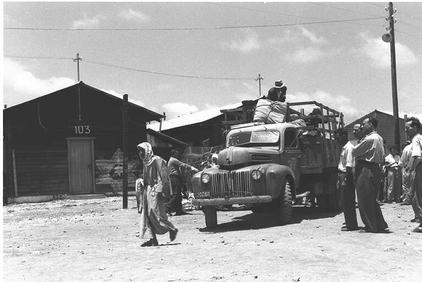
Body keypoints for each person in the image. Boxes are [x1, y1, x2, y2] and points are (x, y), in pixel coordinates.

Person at [137, 142, 178, 247]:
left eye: (142, 150)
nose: (140, 153)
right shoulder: (145, 162)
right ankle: (152, 239)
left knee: (154, 213)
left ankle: (171, 229)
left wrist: (161, 190)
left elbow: (163, 176)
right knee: (146, 215)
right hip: (147, 191)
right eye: (139, 151)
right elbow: (146, 178)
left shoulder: (157, 160)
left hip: (155, 191)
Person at [352, 117, 389, 233]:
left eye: (364, 124)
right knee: (372, 199)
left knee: (364, 199)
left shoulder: (369, 138)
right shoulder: (379, 138)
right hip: (374, 169)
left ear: (371, 125)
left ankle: (370, 226)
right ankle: (380, 224)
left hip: (366, 169)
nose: (362, 126)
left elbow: (354, 152)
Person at [338, 124, 362, 231]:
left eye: (339, 136)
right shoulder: (347, 146)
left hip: (346, 174)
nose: (337, 139)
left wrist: (346, 180)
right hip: (344, 174)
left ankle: (351, 225)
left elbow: (349, 166)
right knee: (346, 200)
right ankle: (349, 222)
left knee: (347, 200)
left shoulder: (349, 147)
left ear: (344, 136)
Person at [167, 149, 199, 215]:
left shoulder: (171, 160)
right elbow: (183, 165)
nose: (178, 154)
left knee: (178, 195)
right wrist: (192, 168)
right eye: (176, 153)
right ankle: (167, 207)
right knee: (176, 194)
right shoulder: (173, 160)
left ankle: (178, 210)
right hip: (174, 177)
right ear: (174, 154)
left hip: (175, 177)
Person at [406, 117, 422, 232]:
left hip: (420, 168)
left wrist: (410, 169)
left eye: (408, 128)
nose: (406, 131)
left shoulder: (416, 139)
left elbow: (417, 157)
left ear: (415, 127)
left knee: (419, 196)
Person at [398, 141, 413, 205]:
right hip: (417, 168)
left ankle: (407, 200)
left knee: (406, 185)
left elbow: (401, 162)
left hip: (407, 168)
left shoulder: (407, 148)